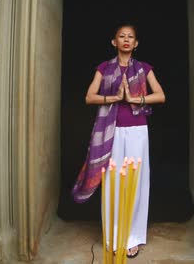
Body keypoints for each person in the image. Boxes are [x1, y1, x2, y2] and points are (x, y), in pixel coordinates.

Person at [71, 24, 165, 258]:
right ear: (114, 42)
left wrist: (133, 97)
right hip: (111, 132)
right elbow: (89, 96)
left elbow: (161, 95)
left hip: (137, 131)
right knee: (112, 182)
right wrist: (115, 97)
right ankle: (113, 236)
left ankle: (133, 237)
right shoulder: (104, 68)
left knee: (136, 181)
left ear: (136, 44)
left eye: (130, 37)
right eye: (121, 36)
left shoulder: (144, 68)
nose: (126, 40)